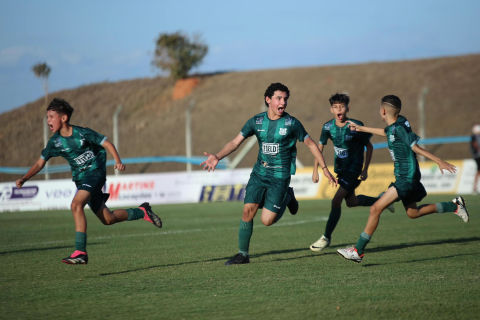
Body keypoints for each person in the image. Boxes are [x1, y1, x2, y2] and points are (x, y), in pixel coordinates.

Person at [200, 83, 337, 265]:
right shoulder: (256, 122)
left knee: (267, 220)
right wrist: (217, 156)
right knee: (248, 211)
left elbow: (311, 144)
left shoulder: (291, 123)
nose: (283, 102)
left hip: (280, 176)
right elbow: (235, 142)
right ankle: (243, 254)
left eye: (285, 99)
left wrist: (325, 169)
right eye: (279, 98)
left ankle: (288, 196)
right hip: (259, 173)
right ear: (268, 100)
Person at [15, 98, 162, 265]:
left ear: (63, 118)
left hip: (95, 173)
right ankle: (142, 212)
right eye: (47, 117)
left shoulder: (83, 133)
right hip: (81, 180)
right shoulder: (54, 143)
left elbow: (107, 143)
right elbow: (40, 163)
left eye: (51, 116)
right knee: (108, 219)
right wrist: (24, 178)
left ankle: (80, 252)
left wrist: (118, 161)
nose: (48, 120)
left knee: (76, 205)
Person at [337, 95, 469, 263]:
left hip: (406, 177)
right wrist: (361, 129)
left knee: (375, 208)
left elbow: (416, 147)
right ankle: (455, 205)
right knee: (413, 213)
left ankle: (358, 251)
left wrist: (439, 161)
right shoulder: (398, 124)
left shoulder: (399, 129)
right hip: (406, 176)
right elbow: (386, 132)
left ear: (383, 111)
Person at [309, 93, 394, 253]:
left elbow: (368, 147)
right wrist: (316, 170)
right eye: (336, 107)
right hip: (341, 170)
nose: (339, 109)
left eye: (342, 106)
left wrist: (365, 169)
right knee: (352, 202)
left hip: (354, 169)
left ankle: (326, 237)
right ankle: (383, 201)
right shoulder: (327, 127)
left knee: (336, 201)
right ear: (331, 110)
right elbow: (319, 148)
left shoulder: (356, 126)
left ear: (347, 108)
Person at [470, 123, 480, 194]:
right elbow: (475, 144)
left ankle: (474, 188)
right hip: (478, 155)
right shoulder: (474, 136)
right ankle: (474, 188)